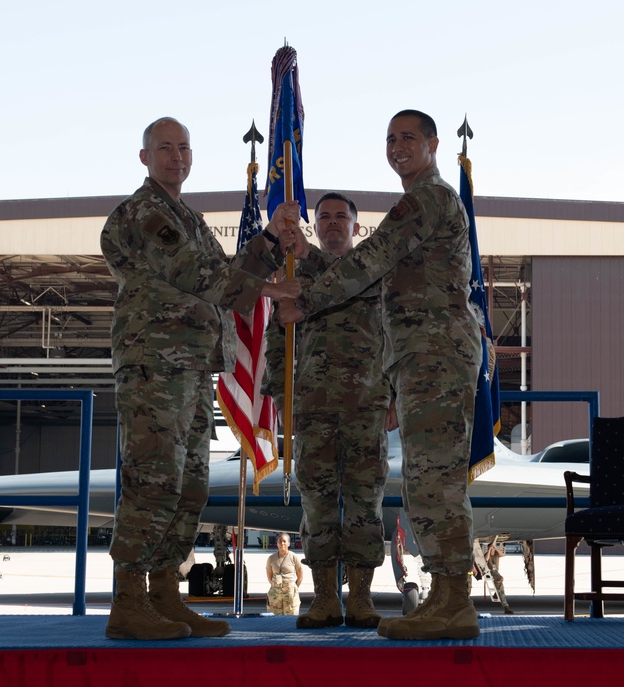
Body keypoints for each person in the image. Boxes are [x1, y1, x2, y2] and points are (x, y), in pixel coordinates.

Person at [277, 110, 484, 641]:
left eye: (408, 137)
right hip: (420, 358)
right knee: (424, 482)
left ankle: (454, 600)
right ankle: (444, 596)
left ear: (434, 144)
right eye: (390, 139)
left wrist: (306, 298)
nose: (397, 146)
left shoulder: (428, 200)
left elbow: (373, 258)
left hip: (434, 354)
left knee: (434, 481)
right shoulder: (420, 201)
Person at [100, 116, 301, 641]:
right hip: (155, 366)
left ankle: (164, 594)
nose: (176, 157)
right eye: (164, 148)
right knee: (153, 480)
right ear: (144, 157)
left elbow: (229, 276)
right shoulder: (147, 213)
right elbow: (206, 279)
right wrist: (275, 292)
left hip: (189, 367)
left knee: (186, 485)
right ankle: (128, 600)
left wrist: (270, 241)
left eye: (184, 148)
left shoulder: (185, 216)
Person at [264, 192, 393, 629]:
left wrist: (392, 393)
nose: (334, 223)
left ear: (358, 228)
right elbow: (277, 340)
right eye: (325, 218)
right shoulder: (294, 275)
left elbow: (395, 335)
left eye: (342, 217)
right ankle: (323, 599)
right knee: (317, 504)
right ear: (314, 227)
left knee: (365, 504)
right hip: (314, 408)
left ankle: (360, 598)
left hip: (367, 407)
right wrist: (281, 397)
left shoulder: (376, 275)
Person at [266, 533, 303, 615]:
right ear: (277, 543)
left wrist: (294, 588)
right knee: (275, 618)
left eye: (284, 541)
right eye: (280, 541)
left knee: (291, 617)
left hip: (290, 593)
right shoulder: (271, 558)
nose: (282, 543)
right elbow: (269, 576)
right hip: (276, 594)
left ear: (288, 543)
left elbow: (300, 575)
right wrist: (275, 585)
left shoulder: (294, 557)